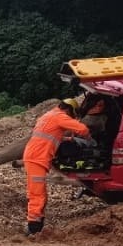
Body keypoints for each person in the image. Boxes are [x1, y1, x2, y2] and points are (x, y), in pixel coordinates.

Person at [22, 100, 91, 236]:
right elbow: (82, 129)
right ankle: (33, 228)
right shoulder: (59, 116)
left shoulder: (48, 115)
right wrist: (89, 138)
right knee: (37, 194)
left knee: (39, 193)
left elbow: (49, 136)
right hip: (37, 158)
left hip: (35, 156)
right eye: (72, 115)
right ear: (69, 110)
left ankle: (36, 225)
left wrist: (66, 139)